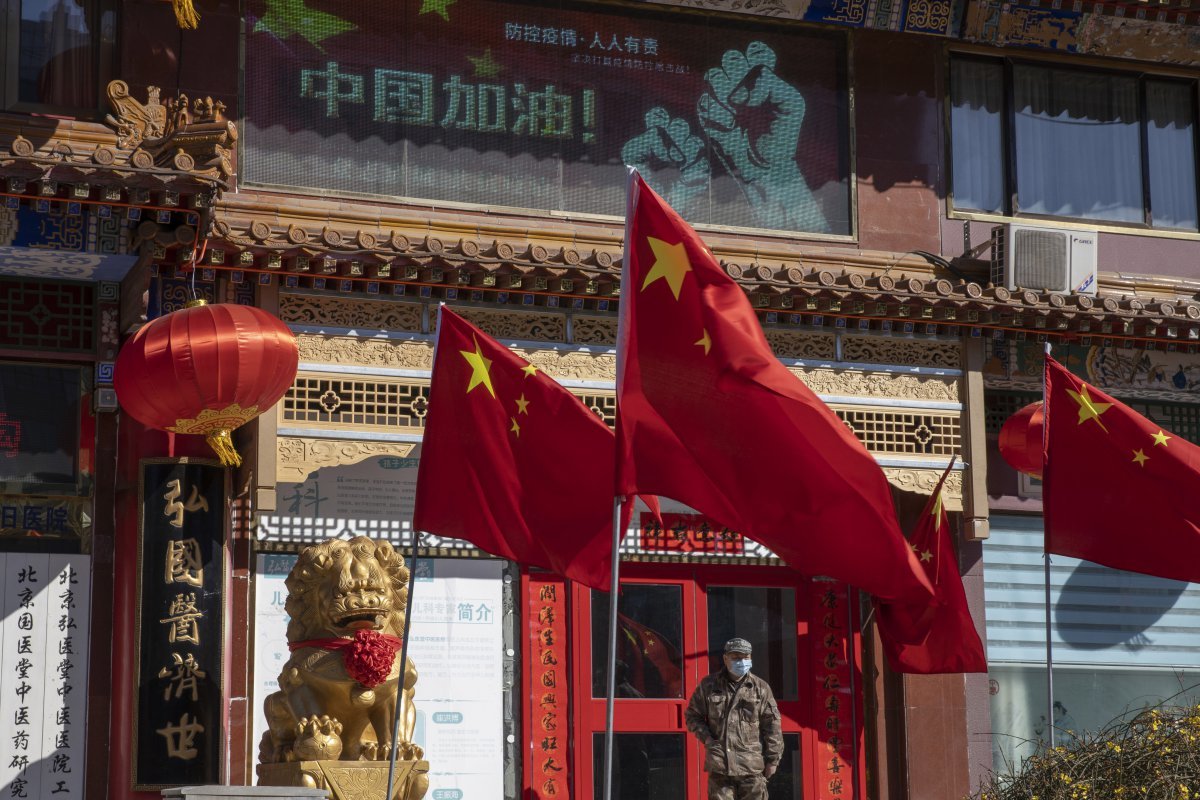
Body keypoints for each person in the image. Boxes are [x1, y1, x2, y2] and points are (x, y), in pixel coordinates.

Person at [685, 637, 783, 800]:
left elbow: (772, 726)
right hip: (720, 766)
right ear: (725, 658)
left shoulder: (760, 688)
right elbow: (692, 715)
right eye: (736, 657)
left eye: (746, 657)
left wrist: (773, 760)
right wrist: (707, 738)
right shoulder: (709, 685)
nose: (741, 661)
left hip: (751, 766)